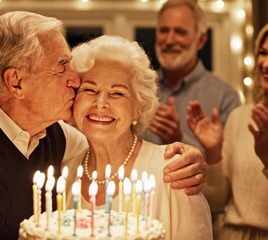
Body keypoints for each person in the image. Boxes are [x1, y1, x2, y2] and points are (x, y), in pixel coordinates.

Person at [0, 11, 206, 240]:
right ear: (16, 82)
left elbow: (113, 143)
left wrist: (193, 157)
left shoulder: (60, 140)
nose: (75, 79)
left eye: (117, 92)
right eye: (62, 66)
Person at [64, 35, 212, 240]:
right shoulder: (65, 168)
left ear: (139, 108)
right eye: (89, 89)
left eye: (117, 93)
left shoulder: (173, 173)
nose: (101, 102)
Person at [187, 18, 268, 239]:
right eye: (263, 52)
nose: (267, 63)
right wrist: (213, 153)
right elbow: (217, 200)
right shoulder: (240, 117)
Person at [140, 0, 241, 153]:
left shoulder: (226, 97)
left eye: (180, 32)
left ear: (201, 41)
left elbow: (227, 168)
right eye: (164, 30)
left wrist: (177, 137)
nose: (169, 40)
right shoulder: (140, 88)